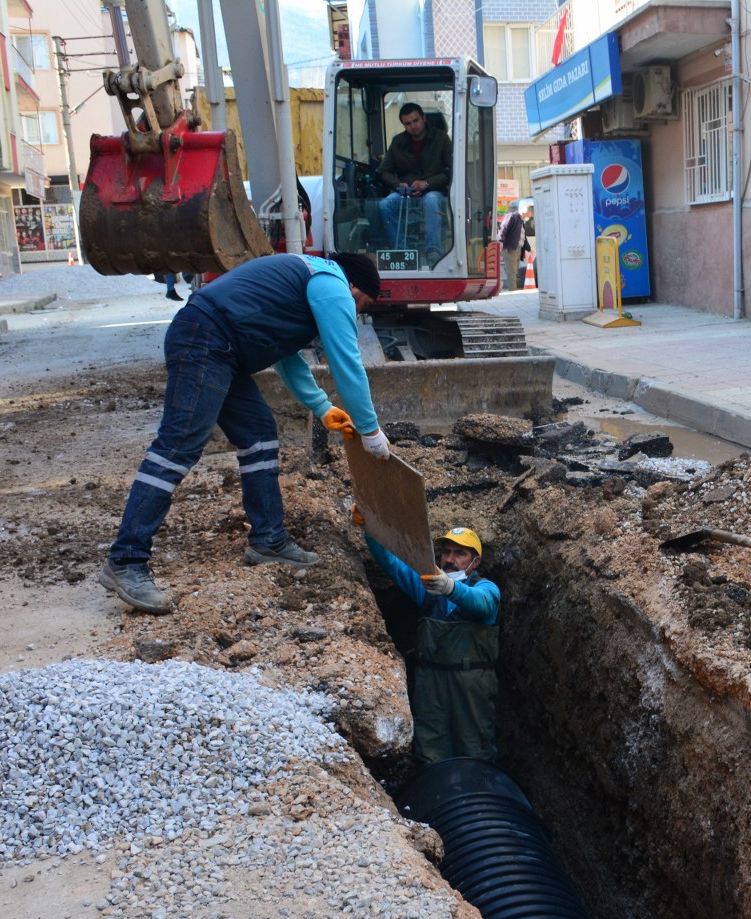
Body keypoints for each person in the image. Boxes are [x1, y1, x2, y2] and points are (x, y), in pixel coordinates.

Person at [100, 252, 392, 615]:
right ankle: (126, 561)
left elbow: (287, 357)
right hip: (206, 339)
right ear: (354, 287)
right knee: (178, 447)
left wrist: (321, 407)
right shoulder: (331, 285)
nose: (357, 313)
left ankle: (268, 539)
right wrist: (371, 430)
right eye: (362, 304)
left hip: (221, 346)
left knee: (259, 435)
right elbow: (346, 362)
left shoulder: (306, 282)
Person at [363, 525, 501, 765]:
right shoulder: (428, 588)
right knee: (430, 749)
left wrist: (451, 588)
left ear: (475, 562)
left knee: (475, 748)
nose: (449, 559)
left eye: (460, 554)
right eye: (446, 552)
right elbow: (393, 564)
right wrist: (370, 528)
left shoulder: (485, 588)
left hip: (471, 685)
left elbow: (483, 604)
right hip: (430, 682)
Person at [374, 102, 452, 259]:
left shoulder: (441, 139)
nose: (413, 126)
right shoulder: (398, 142)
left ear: (423, 118)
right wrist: (398, 185)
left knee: (430, 201)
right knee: (385, 205)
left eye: (416, 121)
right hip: (405, 193)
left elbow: (451, 171)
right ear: (403, 125)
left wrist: (428, 184)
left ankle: (433, 250)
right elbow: (384, 171)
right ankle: (402, 250)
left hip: (433, 191)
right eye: (407, 123)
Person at [498, 204, 528, 291]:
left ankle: (513, 289)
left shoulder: (521, 221)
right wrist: (500, 241)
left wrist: (528, 248)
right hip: (510, 249)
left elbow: (523, 237)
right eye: (527, 214)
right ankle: (513, 291)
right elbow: (503, 228)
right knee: (512, 272)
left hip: (518, 248)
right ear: (523, 213)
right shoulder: (513, 217)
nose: (528, 217)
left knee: (514, 272)